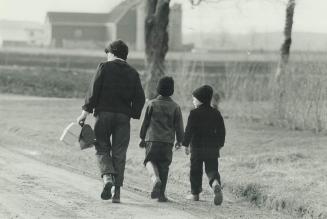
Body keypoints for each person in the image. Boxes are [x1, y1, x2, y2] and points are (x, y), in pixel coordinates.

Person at [77, 39, 145, 203]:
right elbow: (140, 98)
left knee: (101, 147)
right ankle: (117, 193)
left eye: (107, 53)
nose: (107, 56)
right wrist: (133, 113)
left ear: (112, 53)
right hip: (123, 117)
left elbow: (93, 91)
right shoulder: (133, 73)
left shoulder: (104, 67)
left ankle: (107, 177)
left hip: (103, 114)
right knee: (119, 153)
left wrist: (84, 113)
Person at [139, 76, 184, 202]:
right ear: (172, 90)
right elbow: (179, 126)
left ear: (158, 89)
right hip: (167, 142)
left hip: (152, 140)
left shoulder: (152, 104)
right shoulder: (176, 107)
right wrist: (180, 140)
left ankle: (155, 179)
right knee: (164, 166)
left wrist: (142, 137)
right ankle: (161, 195)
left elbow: (145, 122)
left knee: (149, 161)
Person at [182, 85, 226, 206]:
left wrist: (185, 144)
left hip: (197, 148)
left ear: (200, 100)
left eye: (194, 99)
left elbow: (188, 130)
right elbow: (222, 130)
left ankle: (195, 194)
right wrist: (220, 144)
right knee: (212, 169)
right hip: (212, 148)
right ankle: (215, 183)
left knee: (195, 171)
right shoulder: (216, 113)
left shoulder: (194, 113)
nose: (193, 101)